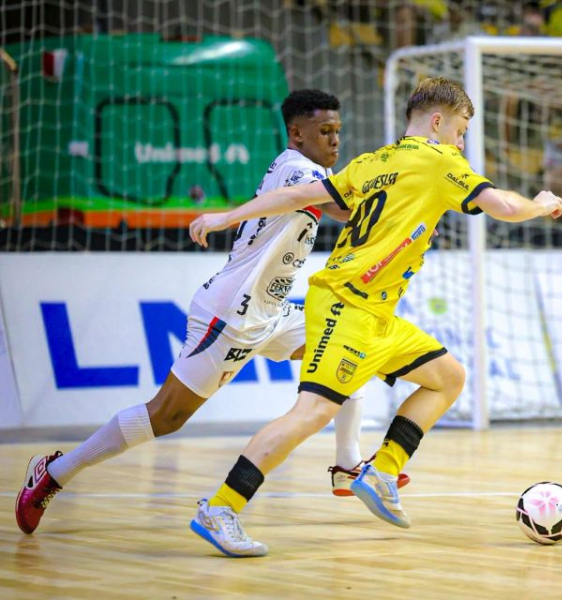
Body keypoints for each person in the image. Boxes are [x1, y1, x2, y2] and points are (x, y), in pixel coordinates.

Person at [187, 76, 562, 557]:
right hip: (346, 305)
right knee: (313, 413)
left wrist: (225, 216)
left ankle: (382, 471)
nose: (462, 141)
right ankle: (220, 507)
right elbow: (504, 207)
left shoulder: (373, 162)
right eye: (461, 129)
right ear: (437, 122)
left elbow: (293, 197)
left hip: (377, 313)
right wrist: (540, 204)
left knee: (447, 377)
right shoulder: (442, 160)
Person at [14, 89, 409, 536]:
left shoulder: (319, 169)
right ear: (296, 133)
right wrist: (406, 182)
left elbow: (349, 209)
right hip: (230, 314)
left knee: (345, 353)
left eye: (338, 131)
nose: (335, 140)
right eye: (325, 132)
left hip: (270, 311)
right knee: (165, 416)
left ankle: (346, 464)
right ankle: (53, 472)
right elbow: (348, 208)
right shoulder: (298, 169)